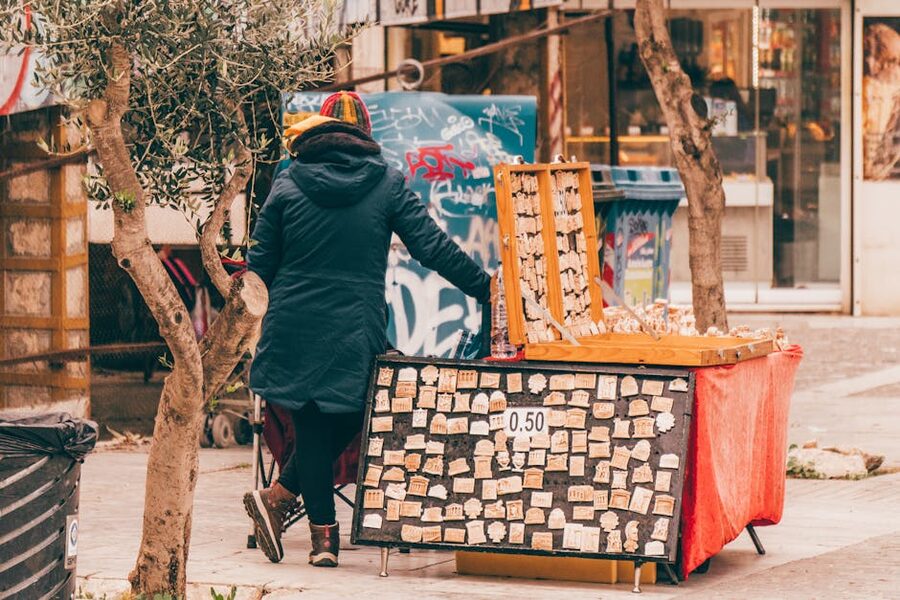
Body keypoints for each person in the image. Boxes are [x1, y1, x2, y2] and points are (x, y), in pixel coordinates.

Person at [243, 92, 491, 567]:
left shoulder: (288, 179)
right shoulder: (386, 183)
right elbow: (433, 248)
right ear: (366, 136)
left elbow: (261, 263)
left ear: (317, 130)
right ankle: (317, 534)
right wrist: (485, 288)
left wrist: (251, 324)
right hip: (355, 329)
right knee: (359, 411)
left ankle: (286, 504)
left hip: (292, 324)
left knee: (312, 419)